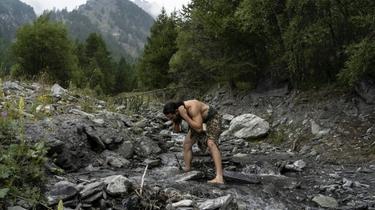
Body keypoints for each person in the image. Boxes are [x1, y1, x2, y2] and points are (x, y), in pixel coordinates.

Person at [163, 99, 224, 184]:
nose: (171, 119)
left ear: (176, 111)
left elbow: (199, 128)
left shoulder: (192, 107)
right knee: (186, 144)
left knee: (211, 143)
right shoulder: (177, 112)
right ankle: (187, 169)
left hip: (212, 118)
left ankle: (219, 177)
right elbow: (176, 131)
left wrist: (185, 116)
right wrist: (175, 121)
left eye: (172, 117)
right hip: (196, 122)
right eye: (169, 118)